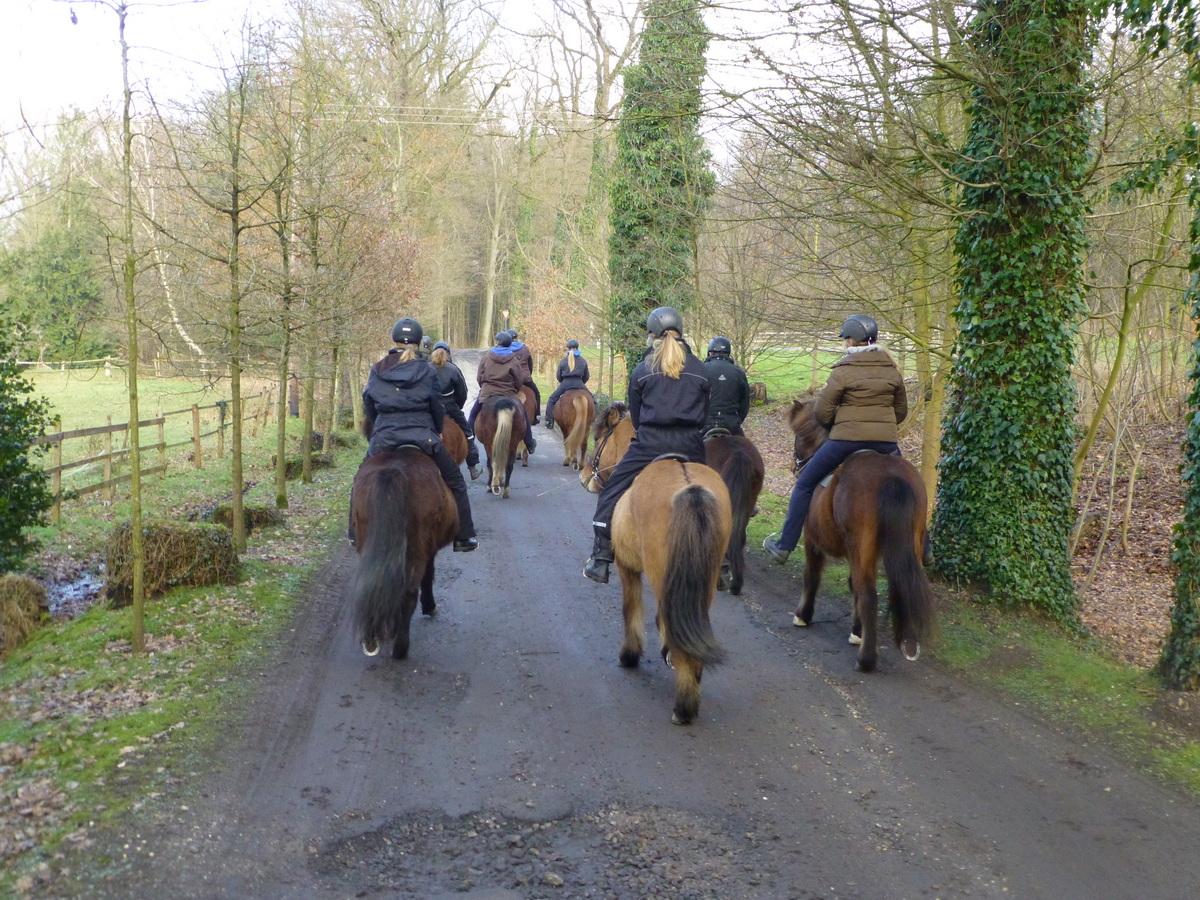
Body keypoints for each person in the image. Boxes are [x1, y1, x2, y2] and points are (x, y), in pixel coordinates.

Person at [763, 314, 907, 564]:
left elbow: (822, 411)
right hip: (885, 443)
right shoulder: (891, 370)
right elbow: (901, 411)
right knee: (908, 485)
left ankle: (784, 545)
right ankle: (925, 547)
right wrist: (882, 428)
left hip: (845, 441)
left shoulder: (844, 370)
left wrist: (837, 426)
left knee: (805, 484)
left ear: (851, 340)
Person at [583, 307, 710, 584]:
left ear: (653, 334)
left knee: (611, 491)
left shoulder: (642, 370)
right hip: (691, 445)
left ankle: (601, 557)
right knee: (715, 491)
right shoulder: (701, 370)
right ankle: (722, 562)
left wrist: (647, 433)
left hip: (651, 443)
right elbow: (705, 414)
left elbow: (637, 418)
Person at [357, 318, 477, 552]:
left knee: (360, 479)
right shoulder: (426, 370)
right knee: (456, 481)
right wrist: (436, 429)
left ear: (394, 339)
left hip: (384, 437)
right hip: (423, 437)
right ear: (419, 341)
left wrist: (379, 426)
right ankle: (464, 536)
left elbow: (368, 404)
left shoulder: (377, 369)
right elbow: (436, 406)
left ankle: (354, 533)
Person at [469, 331, 537, 455]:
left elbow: (479, 377)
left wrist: (484, 388)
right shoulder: (513, 359)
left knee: (473, 414)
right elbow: (519, 380)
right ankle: (529, 442)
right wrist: (514, 390)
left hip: (488, 393)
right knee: (524, 414)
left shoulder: (486, 356)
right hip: (508, 393)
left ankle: (469, 442)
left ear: (498, 342)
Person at [429, 340, 483, 481]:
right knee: (467, 433)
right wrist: (457, 406)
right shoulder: (453, 369)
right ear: (448, 354)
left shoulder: (426, 368)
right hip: (450, 407)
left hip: (430, 408)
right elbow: (462, 392)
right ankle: (473, 466)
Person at [702, 336, 751, 436]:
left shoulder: (701, 369)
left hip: (705, 423)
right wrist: (737, 420)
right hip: (731, 423)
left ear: (710, 352)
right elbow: (745, 403)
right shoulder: (738, 372)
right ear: (728, 353)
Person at [544, 338, 591, 429]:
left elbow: (559, 376)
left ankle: (549, 421)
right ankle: (593, 420)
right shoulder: (583, 360)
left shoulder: (563, 360)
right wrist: (581, 383)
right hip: (579, 382)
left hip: (566, 383)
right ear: (577, 347)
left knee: (552, 399)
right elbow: (586, 376)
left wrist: (563, 383)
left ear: (568, 348)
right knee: (593, 399)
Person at [507, 328, 542, 424]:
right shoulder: (524, 348)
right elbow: (530, 364)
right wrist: (528, 374)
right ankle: (536, 415)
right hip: (525, 378)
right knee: (536, 393)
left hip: (510, 379)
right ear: (516, 338)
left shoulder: (505, 349)